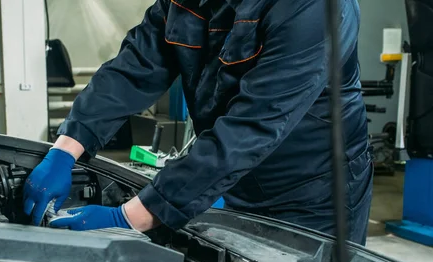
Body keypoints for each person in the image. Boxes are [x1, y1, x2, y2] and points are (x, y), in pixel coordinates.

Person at [24, 0, 373, 244]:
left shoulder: (317, 8)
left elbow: (254, 125)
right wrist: (65, 150)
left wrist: (127, 218)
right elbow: (132, 69)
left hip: (314, 195)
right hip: (231, 177)